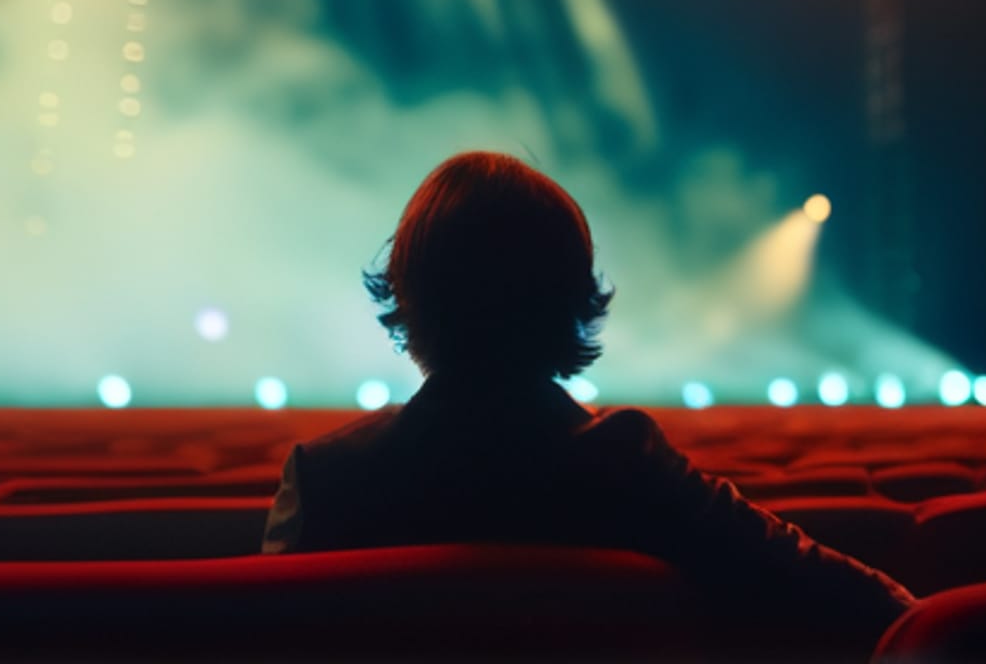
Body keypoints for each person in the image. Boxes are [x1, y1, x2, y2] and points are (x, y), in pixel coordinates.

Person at [263, 150, 914, 651]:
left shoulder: (325, 476)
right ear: (569, 300)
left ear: (411, 293)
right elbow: (824, 588)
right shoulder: (628, 460)